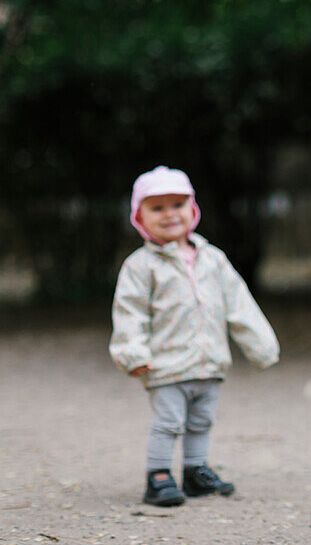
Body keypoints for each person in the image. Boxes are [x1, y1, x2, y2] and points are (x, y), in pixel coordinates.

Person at [109, 166, 280, 507]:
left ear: (193, 210)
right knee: (169, 422)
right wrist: (133, 352)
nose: (169, 215)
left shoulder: (213, 259)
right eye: (157, 208)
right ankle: (158, 476)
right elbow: (130, 311)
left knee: (201, 421)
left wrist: (261, 345)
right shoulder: (140, 265)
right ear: (140, 217)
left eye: (177, 205)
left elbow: (239, 303)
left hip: (209, 361)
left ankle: (195, 471)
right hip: (166, 365)